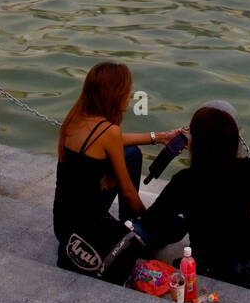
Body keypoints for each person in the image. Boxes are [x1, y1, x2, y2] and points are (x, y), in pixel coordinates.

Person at [139, 105, 250, 295]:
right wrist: (249, 161)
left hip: (209, 265)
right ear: (234, 142)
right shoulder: (247, 170)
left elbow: (150, 224)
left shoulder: (184, 180)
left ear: (195, 144)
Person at [53, 62, 182, 274]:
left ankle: (129, 223)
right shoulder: (108, 132)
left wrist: (160, 138)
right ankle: (134, 229)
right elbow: (130, 194)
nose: (130, 95)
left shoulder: (75, 119)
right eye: (127, 90)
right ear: (114, 94)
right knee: (177, 226)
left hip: (63, 224)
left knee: (131, 153)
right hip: (85, 233)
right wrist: (151, 219)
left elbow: (115, 139)